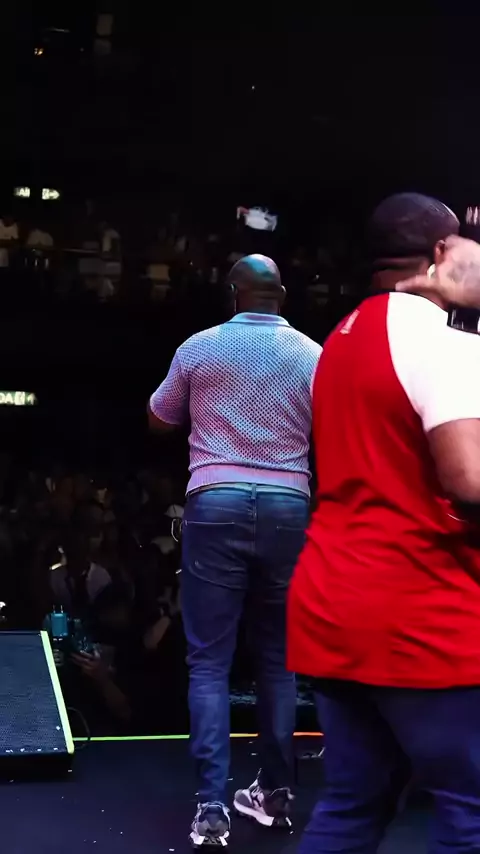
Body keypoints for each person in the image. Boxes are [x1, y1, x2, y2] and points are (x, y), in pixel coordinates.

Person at [287, 193, 480, 854]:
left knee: (353, 803)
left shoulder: (341, 337)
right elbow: (469, 479)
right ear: (440, 253)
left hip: (332, 602)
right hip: (416, 606)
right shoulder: (441, 343)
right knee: (473, 812)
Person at [148, 254, 322, 848]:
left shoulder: (199, 347)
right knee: (278, 661)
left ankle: (211, 808)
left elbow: (159, 416)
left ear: (232, 294)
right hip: (288, 507)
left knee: (209, 664)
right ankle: (275, 794)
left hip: (216, 500)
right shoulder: (313, 355)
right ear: (283, 295)